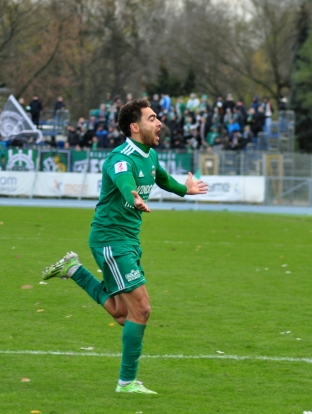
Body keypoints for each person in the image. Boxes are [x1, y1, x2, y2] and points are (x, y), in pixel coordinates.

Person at [41, 99, 208, 395]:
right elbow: (123, 181)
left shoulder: (150, 155)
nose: (159, 123)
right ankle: (126, 382)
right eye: (152, 118)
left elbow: (164, 179)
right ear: (135, 127)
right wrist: (134, 198)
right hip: (111, 239)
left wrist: (186, 190)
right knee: (142, 310)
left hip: (128, 240)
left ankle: (74, 270)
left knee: (122, 313)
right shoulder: (121, 157)